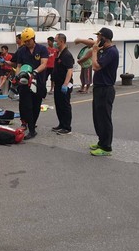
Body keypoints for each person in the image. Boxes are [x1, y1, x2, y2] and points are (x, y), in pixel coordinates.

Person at [75, 27, 119, 156]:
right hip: (99, 88)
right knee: (97, 117)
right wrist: (79, 40)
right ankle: (101, 142)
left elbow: (95, 67)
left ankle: (106, 147)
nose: (96, 40)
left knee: (105, 118)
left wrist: (94, 52)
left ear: (104, 39)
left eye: (99, 38)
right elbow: (92, 44)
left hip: (106, 89)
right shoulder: (104, 48)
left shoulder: (111, 52)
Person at [15, 27, 48, 140]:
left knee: (36, 106)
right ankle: (32, 129)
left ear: (33, 38)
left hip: (38, 81)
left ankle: (32, 124)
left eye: (29, 41)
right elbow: (19, 66)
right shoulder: (21, 51)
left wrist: (35, 72)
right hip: (25, 83)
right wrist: (17, 75)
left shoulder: (42, 49)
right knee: (27, 106)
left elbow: (44, 64)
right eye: (25, 41)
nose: (27, 43)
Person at [51, 33, 74, 135]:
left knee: (65, 105)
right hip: (58, 83)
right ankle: (61, 124)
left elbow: (69, 71)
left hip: (64, 84)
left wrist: (65, 84)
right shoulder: (58, 53)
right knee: (58, 104)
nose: (54, 43)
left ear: (62, 41)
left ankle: (67, 127)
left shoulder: (67, 55)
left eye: (56, 41)